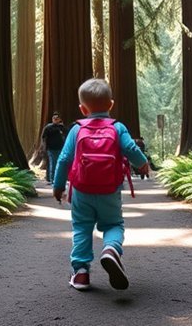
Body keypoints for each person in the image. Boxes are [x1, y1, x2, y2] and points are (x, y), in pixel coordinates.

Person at [52, 78, 149, 291]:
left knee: (81, 228)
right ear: (111, 105)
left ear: (82, 108)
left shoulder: (76, 129)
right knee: (113, 224)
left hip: (81, 190)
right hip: (109, 190)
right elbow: (131, 149)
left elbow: (64, 159)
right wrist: (143, 164)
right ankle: (111, 250)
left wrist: (58, 186)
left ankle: (81, 273)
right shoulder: (118, 127)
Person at [40, 111, 66, 183]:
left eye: (57, 118)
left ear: (59, 119)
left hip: (60, 148)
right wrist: (44, 147)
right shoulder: (48, 127)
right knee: (53, 163)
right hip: (51, 149)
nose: (55, 119)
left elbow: (66, 134)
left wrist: (62, 127)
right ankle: (52, 180)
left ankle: (53, 178)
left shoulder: (61, 127)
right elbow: (43, 137)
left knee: (58, 163)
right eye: (54, 118)